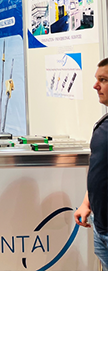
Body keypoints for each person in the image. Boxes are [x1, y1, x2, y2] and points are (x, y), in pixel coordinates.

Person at [74, 57, 108, 270]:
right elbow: (100, 169)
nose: (96, 86)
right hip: (101, 227)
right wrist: (87, 203)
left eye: (103, 80)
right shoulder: (102, 125)